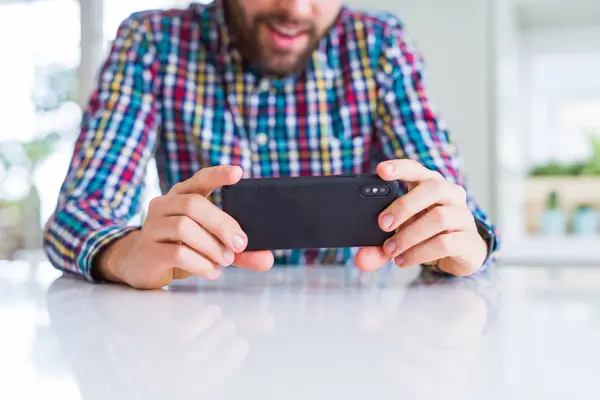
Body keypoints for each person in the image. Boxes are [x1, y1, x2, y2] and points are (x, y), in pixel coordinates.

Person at [43, 0, 499, 289]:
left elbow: (453, 209)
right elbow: (78, 214)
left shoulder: (379, 46)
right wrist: (127, 253)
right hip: (199, 332)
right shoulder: (152, 43)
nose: (297, 8)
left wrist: (463, 244)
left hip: (362, 337)